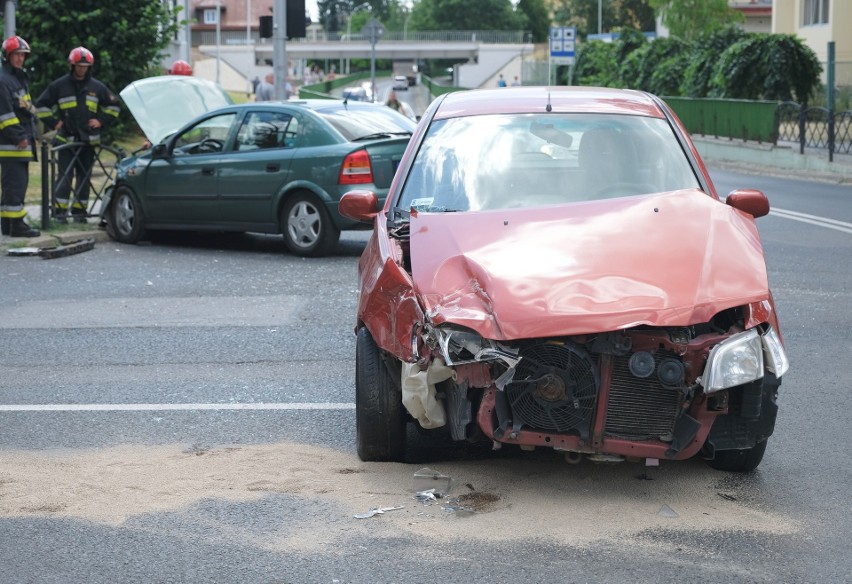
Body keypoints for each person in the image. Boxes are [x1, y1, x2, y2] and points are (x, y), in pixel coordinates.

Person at [35, 46, 120, 223]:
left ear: (90, 67)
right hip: (66, 139)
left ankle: (79, 213)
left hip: (88, 141)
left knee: (84, 177)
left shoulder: (97, 87)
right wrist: (54, 123)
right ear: (71, 66)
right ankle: (60, 213)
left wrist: (101, 121)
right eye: (78, 65)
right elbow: (41, 106)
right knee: (65, 176)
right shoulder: (58, 86)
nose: (82, 69)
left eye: (85, 66)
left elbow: (114, 106)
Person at [0, 35, 40, 238]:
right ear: (7, 56)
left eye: (23, 55)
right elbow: (5, 115)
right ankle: (17, 226)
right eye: (16, 55)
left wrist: (34, 134)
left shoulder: (17, 78)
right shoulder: (3, 80)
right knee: (16, 185)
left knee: (13, 185)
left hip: (21, 141)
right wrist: (19, 137)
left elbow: (25, 109)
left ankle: (7, 225)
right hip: (11, 144)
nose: (20, 59)